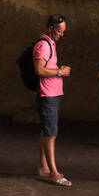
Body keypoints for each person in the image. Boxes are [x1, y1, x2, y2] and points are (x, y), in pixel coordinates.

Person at [33, 15, 71, 186]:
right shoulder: (43, 45)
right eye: (58, 31)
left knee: (46, 131)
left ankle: (43, 167)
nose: (61, 34)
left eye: (63, 31)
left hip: (51, 94)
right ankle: (54, 173)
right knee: (51, 135)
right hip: (47, 95)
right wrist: (60, 72)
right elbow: (39, 70)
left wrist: (58, 69)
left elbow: (47, 67)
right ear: (50, 28)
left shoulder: (50, 43)